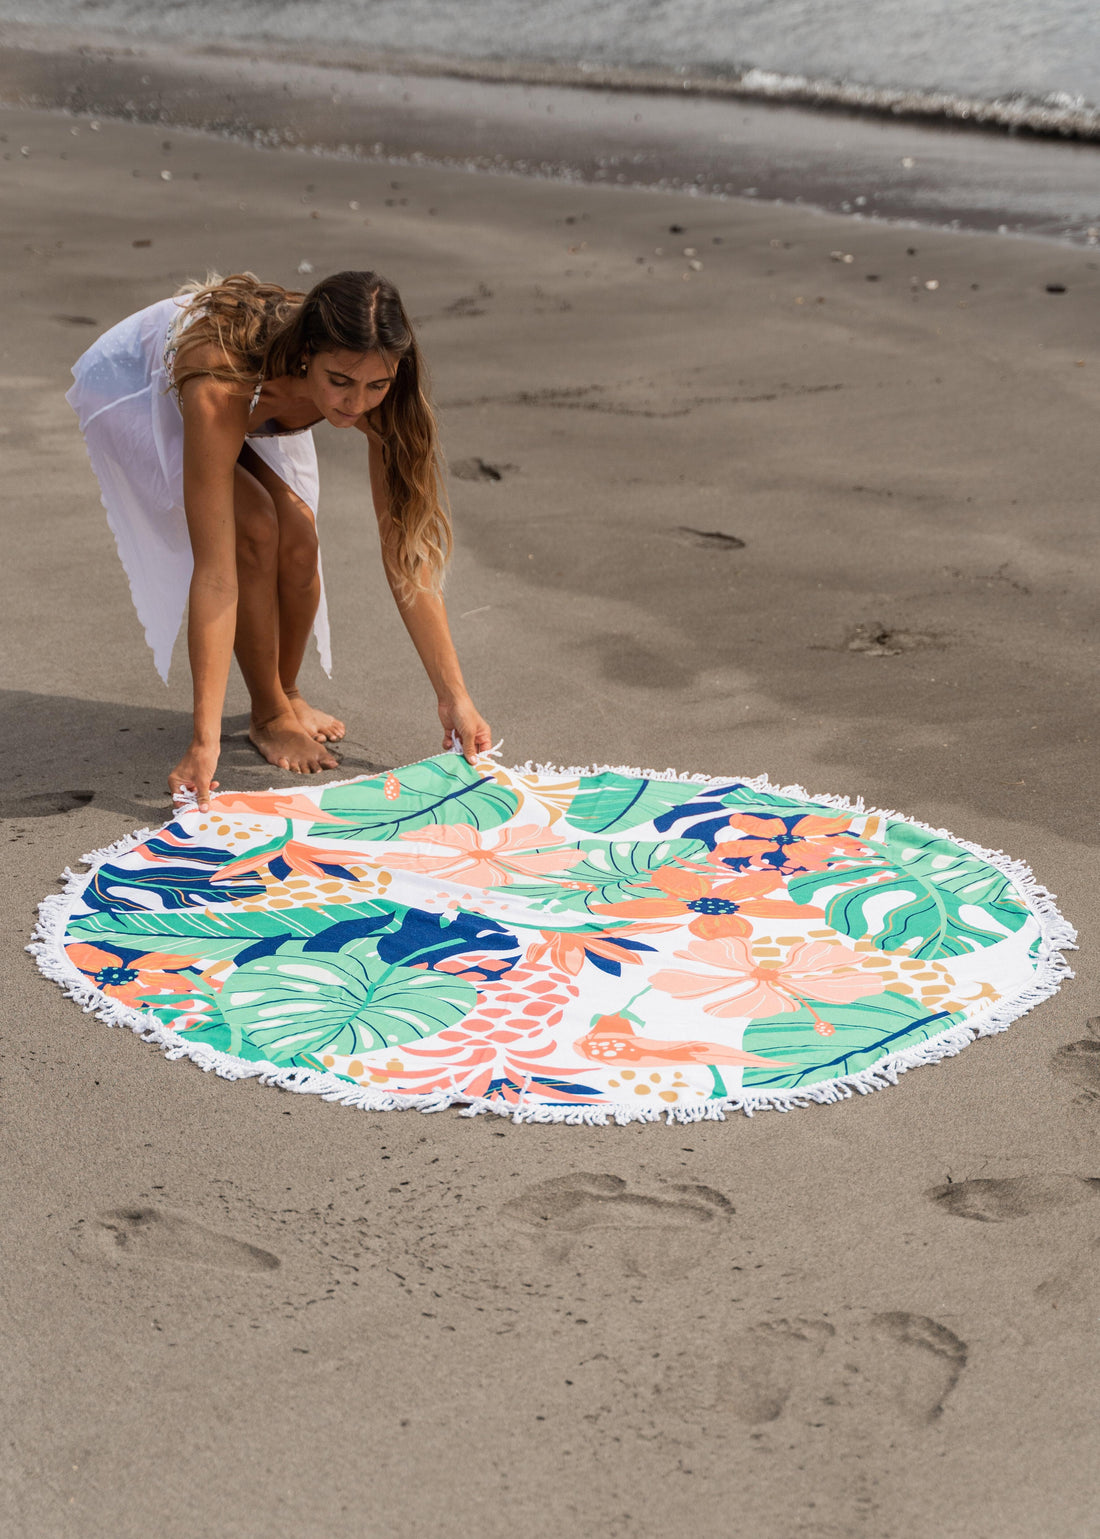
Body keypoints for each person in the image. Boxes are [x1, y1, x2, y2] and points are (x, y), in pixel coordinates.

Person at [67, 268, 492, 813]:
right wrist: (204, 742)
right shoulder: (221, 383)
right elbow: (217, 576)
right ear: (306, 355)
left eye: (376, 384)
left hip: (267, 400)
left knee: (297, 537)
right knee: (254, 528)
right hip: (149, 385)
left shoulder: (380, 390)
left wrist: (454, 697)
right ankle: (267, 713)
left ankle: (286, 693)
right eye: (340, 380)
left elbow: (404, 552)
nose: (357, 403)